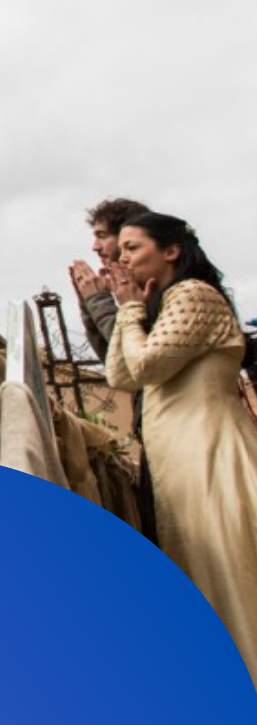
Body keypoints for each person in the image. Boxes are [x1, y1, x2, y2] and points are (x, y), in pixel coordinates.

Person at [106, 212, 257, 688]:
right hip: (181, 462)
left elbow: (145, 366)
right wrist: (130, 311)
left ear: (170, 250)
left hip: (211, 455)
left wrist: (129, 311)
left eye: (132, 248)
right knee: (203, 579)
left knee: (229, 576)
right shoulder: (161, 305)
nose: (122, 259)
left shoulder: (194, 295)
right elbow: (120, 375)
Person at [69, 197, 150, 361]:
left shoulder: (162, 287)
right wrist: (88, 305)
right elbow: (113, 363)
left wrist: (98, 300)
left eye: (102, 236)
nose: (95, 247)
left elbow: (136, 360)